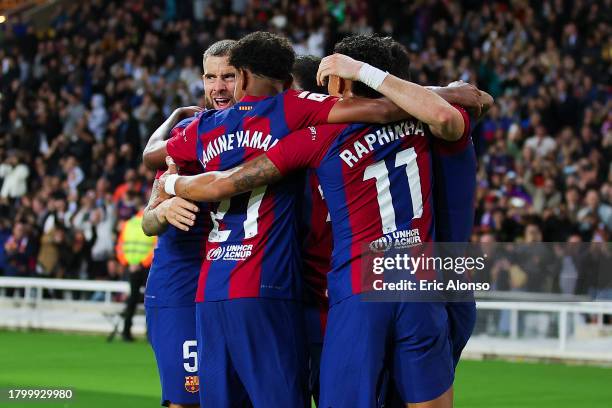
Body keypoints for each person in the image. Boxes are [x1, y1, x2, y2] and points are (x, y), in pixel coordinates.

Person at [158, 34, 488, 407]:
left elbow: (222, 181)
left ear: (342, 83)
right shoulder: (433, 125)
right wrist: (443, 90)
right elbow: (473, 102)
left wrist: (168, 184)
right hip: (434, 284)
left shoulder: (318, 136)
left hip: (355, 290)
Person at [140, 40, 236, 408]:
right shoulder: (189, 135)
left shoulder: (257, 131)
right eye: (211, 77)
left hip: (231, 283)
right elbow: (149, 221)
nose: (218, 87)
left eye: (227, 76)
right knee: (186, 399)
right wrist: (163, 212)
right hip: (180, 284)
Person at [115, 202, 156, 342]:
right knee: (149, 299)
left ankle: (126, 331)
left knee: (132, 299)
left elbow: (120, 246)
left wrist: (128, 263)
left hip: (132, 267)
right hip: (147, 267)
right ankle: (149, 333)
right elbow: (155, 247)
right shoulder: (153, 222)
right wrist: (143, 263)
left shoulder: (129, 224)